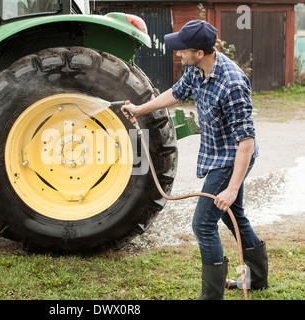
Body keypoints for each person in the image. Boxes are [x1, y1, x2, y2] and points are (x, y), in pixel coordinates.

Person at [122, 20, 268, 300]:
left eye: (182, 50)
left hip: (231, 160)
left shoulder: (232, 84)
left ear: (200, 52)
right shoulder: (196, 70)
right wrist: (141, 108)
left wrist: (232, 187)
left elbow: (246, 143)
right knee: (234, 216)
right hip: (217, 156)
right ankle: (258, 279)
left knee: (202, 223)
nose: (178, 53)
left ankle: (211, 296)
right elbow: (175, 93)